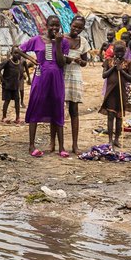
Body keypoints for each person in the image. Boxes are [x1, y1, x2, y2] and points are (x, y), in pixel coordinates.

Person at [19, 14, 69, 157]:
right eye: (52, 25)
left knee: (58, 108)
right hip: (40, 78)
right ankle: (31, 146)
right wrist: (32, 60)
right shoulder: (36, 40)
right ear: (46, 26)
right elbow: (17, 50)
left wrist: (58, 44)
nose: (54, 28)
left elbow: (61, 63)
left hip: (57, 79)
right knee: (35, 107)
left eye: (57, 25)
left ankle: (61, 148)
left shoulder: (63, 42)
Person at [62, 15, 91, 156]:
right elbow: (56, 59)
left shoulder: (83, 42)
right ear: (70, 24)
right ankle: (58, 145)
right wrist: (65, 60)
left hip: (75, 76)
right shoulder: (61, 39)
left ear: (82, 29)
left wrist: (80, 61)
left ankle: (74, 145)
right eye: (75, 26)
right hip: (61, 75)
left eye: (79, 28)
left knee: (74, 110)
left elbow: (85, 62)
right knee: (58, 110)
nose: (76, 29)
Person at [100, 41, 131, 147]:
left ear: (125, 51)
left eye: (122, 51)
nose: (119, 53)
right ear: (113, 51)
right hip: (111, 92)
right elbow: (104, 75)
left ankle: (117, 139)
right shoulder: (108, 61)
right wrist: (113, 68)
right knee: (110, 115)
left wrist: (122, 71)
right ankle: (110, 139)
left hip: (121, 92)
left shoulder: (128, 63)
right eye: (117, 51)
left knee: (119, 117)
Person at [0, 47, 25, 124]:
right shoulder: (8, 62)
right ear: (11, 54)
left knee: (17, 101)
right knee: (7, 101)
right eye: (15, 53)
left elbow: (21, 73)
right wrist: (1, 78)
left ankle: (17, 117)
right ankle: (4, 117)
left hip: (15, 86)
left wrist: (19, 80)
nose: (17, 54)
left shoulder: (19, 63)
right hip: (7, 85)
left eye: (18, 53)